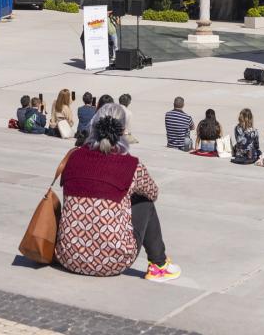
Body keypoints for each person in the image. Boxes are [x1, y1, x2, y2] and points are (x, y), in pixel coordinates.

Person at [53, 102, 181, 283]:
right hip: (113, 261)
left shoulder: (74, 157)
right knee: (144, 200)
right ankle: (159, 265)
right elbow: (153, 193)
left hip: (68, 257)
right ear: (122, 132)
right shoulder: (131, 165)